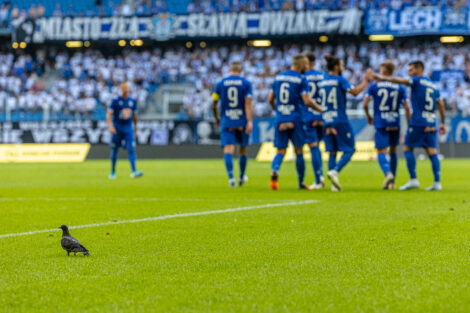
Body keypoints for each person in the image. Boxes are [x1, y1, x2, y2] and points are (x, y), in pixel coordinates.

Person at [373, 60, 446, 191]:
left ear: (419, 69)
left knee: (407, 148)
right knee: (432, 151)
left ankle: (413, 179)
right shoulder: (433, 85)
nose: (409, 72)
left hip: (418, 122)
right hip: (431, 121)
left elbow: (401, 81)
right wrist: (443, 123)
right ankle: (437, 182)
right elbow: (441, 104)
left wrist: (381, 77)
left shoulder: (416, 80)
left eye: (411, 70)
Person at [318, 55, 372, 191]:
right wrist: (365, 82)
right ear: (336, 67)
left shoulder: (323, 82)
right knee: (350, 149)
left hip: (326, 119)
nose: (343, 68)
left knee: (332, 151)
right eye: (341, 65)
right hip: (339, 120)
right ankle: (335, 171)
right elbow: (354, 92)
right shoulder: (340, 80)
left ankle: (333, 186)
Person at [268, 54, 322, 190]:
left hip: (280, 118)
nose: (307, 67)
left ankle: (275, 170)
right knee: (299, 151)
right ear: (300, 64)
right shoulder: (301, 79)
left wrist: (278, 111)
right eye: (305, 65)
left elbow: (270, 99)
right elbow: (307, 101)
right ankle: (301, 182)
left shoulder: (278, 77)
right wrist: (321, 110)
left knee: (280, 151)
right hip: (296, 118)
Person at [363, 60, 410, 189]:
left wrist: (369, 116)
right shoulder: (400, 87)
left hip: (381, 121)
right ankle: (393, 183)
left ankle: (388, 174)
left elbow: (365, 104)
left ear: (383, 71)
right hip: (395, 121)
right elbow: (406, 107)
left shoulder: (375, 85)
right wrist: (409, 122)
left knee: (381, 151)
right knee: (394, 151)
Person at [212, 61, 253, 187]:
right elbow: (248, 103)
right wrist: (250, 121)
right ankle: (241, 176)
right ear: (240, 70)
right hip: (241, 120)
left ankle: (231, 178)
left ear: (230, 70)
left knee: (228, 149)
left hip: (227, 120)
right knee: (243, 149)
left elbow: (214, 104)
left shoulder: (220, 84)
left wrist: (217, 117)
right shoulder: (246, 83)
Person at [107, 81, 143, 179]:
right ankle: (113, 171)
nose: (125, 89)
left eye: (126, 87)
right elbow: (109, 114)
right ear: (120, 88)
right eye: (123, 87)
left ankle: (134, 171)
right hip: (117, 128)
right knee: (115, 150)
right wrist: (110, 126)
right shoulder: (115, 101)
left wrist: (136, 130)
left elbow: (135, 116)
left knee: (131, 149)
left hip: (128, 129)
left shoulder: (132, 101)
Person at [303, 52, 325, 189]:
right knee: (324, 147)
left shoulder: (302, 77)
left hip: (309, 115)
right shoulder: (323, 76)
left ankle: (318, 178)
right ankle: (327, 174)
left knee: (313, 147)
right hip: (322, 115)